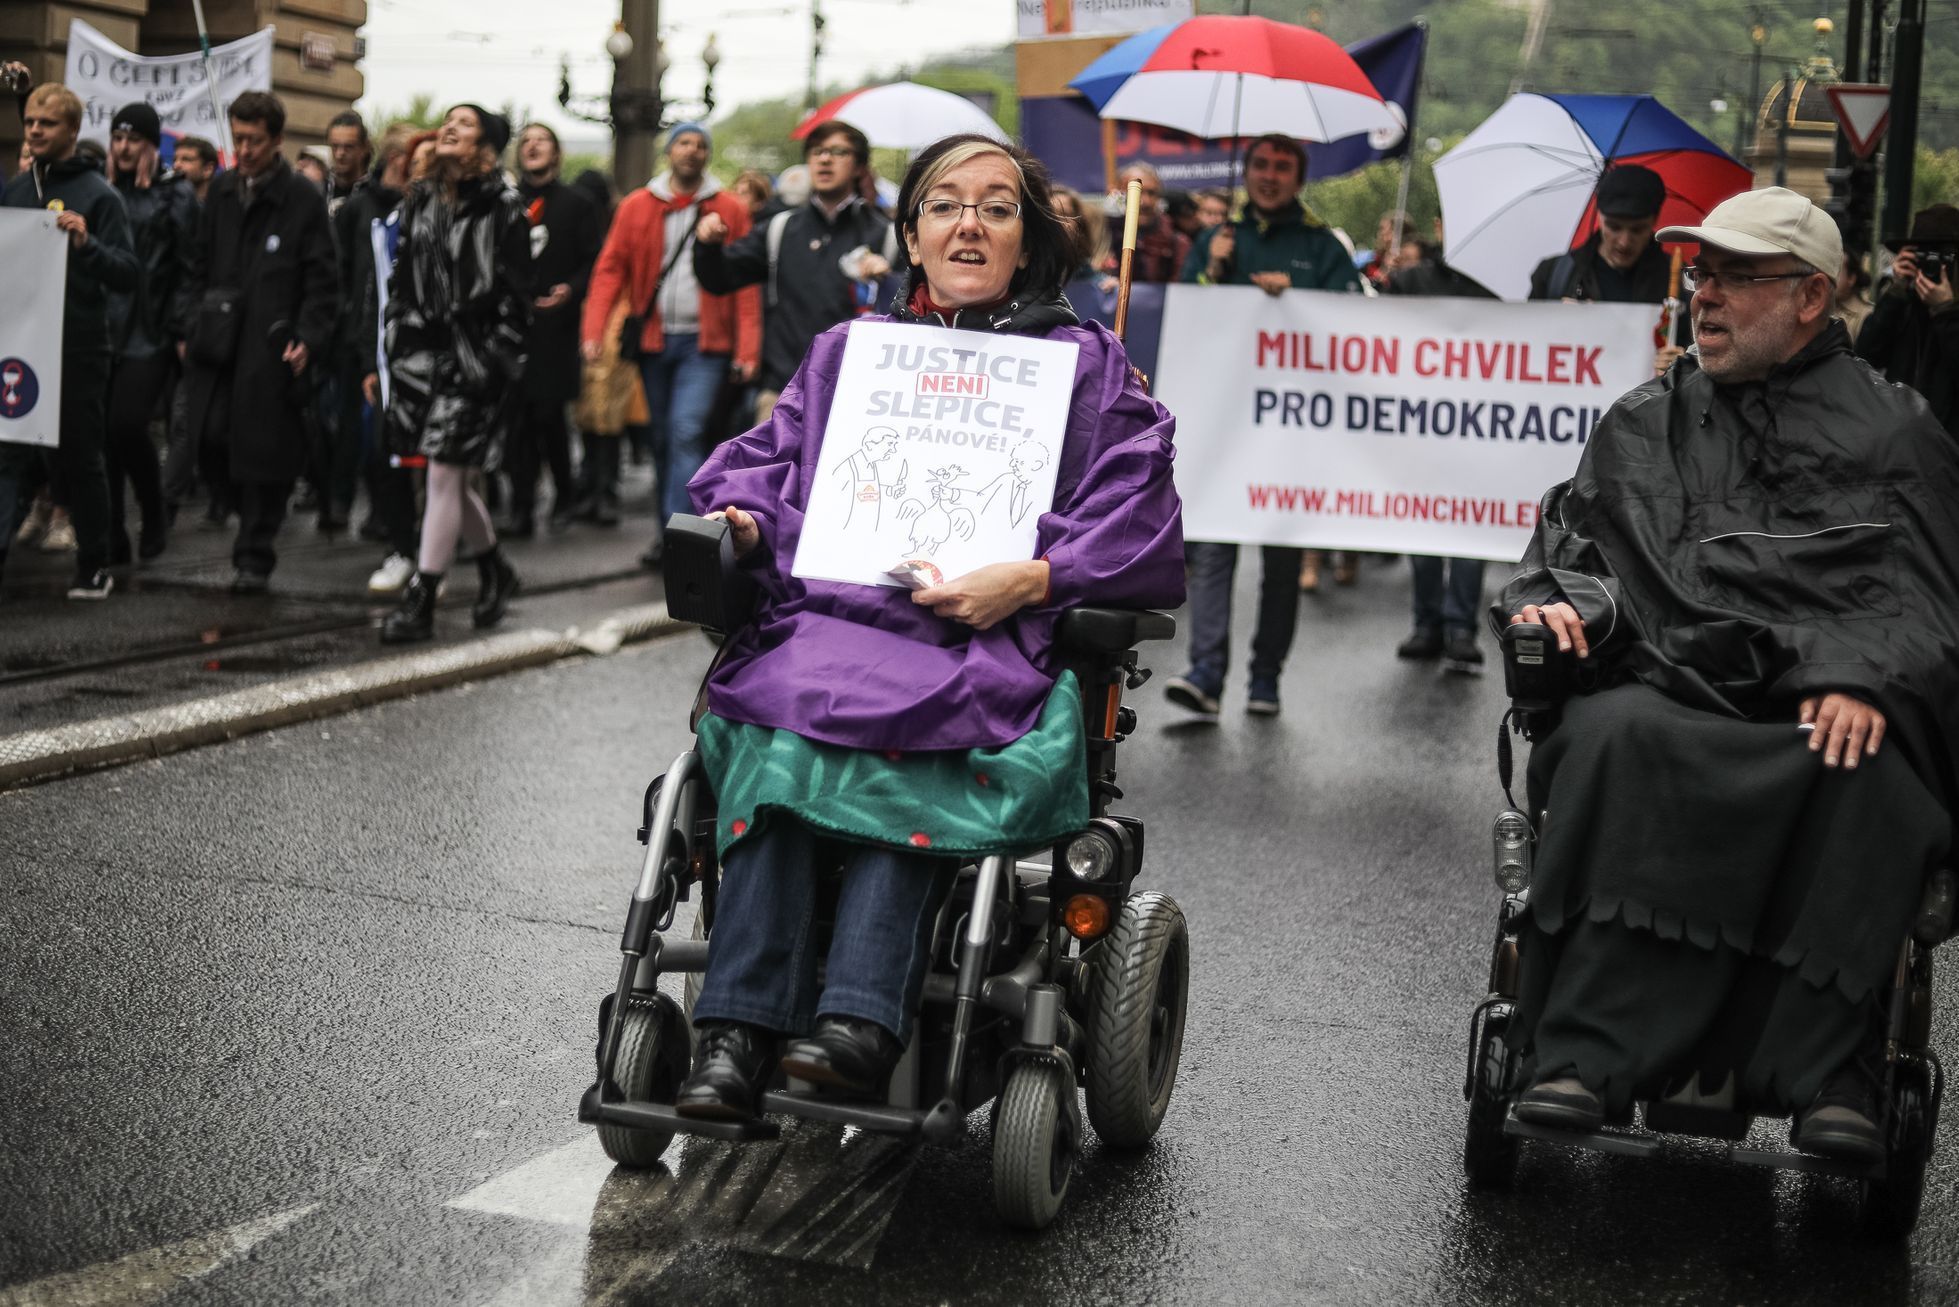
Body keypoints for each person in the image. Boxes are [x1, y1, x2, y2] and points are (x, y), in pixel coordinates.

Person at [671, 133, 1184, 1118]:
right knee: (784, 721)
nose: (970, 223)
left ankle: (859, 1020)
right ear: (909, 235)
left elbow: (1139, 512)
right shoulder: (848, 357)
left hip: (979, 638)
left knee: (919, 728)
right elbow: (764, 472)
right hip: (830, 623)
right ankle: (736, 1032)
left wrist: (1034, 576)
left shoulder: (1082, 367)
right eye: (946, 204)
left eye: (997, 207)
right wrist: (745, 518)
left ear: (1029, 243)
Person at [1497, 188, 1959, 1163]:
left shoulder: (1896, 433)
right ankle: (1580, 1051)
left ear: (1810, 298)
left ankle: (1833, 1068)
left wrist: (1858, 671)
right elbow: (1582, 554)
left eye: (1735, 276)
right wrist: (1560, 608)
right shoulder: (1644, 420)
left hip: (1815, 708)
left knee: (1868, 764)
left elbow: (1926, 601)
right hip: (1669, 683)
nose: (1704, 295)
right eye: (1701, 273)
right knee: (1609, 733)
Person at [1164, 132, 1362, 720]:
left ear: (1298, 180)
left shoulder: (1322, 246)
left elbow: (1354, 318)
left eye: (1281, 167)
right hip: (1223, 425)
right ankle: (1204, 674)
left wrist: (1295, 297)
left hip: (1291, 434)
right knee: (1213, 548)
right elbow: (1187, 316)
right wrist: (1214, 271)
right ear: (1246, 173)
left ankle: (1265, 678)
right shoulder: (1216, 241)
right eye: (1260, 166)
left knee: (1280, 563)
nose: (1269, 176)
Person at [379, 105, 531, 643]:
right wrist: (398, 329)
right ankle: (494, 569)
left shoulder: (505, 208)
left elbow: (517, 297)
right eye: (448, 121)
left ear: (485, 146)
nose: (449, 128)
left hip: (474, 359)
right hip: (422, 356)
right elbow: (403, 277)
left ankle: (422, 597)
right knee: (455, 478)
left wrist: (494, 357)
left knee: (443, 473)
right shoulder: (419, 200)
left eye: (464, 124)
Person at [178, 90, 337, 593]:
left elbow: (323, 279)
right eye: (238, 138)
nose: (244, 149)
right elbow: (197, 264)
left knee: (265, 454)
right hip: (218, 339)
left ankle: (254, 552)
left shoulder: (302, 199)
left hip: (272, 344)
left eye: (254, 140)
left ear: (276, 141)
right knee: (210, 436)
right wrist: (188, 322)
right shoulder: (222, 192)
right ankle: (235, 515)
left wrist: (308, 336)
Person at [581, 122, 760, 563]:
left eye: (701, 145)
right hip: (654, 341)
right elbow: (610, 269)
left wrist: (747, 348)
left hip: (706, 344)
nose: (692, 151)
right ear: (669, 152)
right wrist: (592, 330)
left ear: (707, 156)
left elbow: (745, 283)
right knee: (661, 437)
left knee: (686, 431)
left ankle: (684, 544)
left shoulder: (730, 208)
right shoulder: (637, 205)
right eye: (683, 142)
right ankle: (671, 530)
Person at [0, 82, 137, 599]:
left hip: (77, 346)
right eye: (30, 120)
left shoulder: (100, 195)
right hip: (20, 347)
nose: (34, 129)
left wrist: (87, 244)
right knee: (10, 456)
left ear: (73, 132)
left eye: (47, 123)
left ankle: (95, 565)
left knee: (80, 457)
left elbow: (127, 272)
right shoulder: (15, 189)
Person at [692, 119, 894, 428]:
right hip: (782, 390)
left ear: (859, 167)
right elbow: (719, 279)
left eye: (839, 152)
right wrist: (707, 245)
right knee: (775, 477)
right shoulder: (780, 228)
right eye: (817, 151)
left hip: (857, 394)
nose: (825, 159)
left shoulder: (887, 236)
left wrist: (889, 278)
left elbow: (912, 310)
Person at [1386, 223, 1498, 670]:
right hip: (1421, 426)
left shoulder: (1499, 288)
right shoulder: (1412, 280)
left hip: (1477, 425)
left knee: (1469, 527)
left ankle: (1459, 628)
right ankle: (1428, 624)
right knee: (1425, 527)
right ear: (1440, 228)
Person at [102, 101, 197, 566]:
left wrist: (179, 326)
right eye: (117, 138)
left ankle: (154, 509)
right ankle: (113, 530)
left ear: (150, 143)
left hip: (151, 330)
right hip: (103, 328)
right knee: (104, 434)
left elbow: (189, 266)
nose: (122, 147)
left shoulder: (174, 194)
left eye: (132, 139)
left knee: (126, 423)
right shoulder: (101, 189)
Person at [506, 123, 601, 537]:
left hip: (557, 328)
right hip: (514, 326)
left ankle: (564, 493)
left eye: (540, 141)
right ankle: (521, 507)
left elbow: (594, 262)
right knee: (517, 420)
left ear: (556, 153)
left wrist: (570, 290)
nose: (532, 147)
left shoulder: (577, 204)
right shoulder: (506, 203)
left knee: (549, 417)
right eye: (526, 142)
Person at [346, 126, 423, 595]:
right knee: (383, 455)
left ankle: (449, 557)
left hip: (440, 361)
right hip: (390, 358)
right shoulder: (375, 219)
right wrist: (367, 362)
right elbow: (367, 291)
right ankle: (404, 548)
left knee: (443, 473)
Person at [1528, 164, 1686, 377]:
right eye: (1614, 227)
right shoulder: (1554, 275)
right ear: (1600, 217)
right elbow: (1528, 349)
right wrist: (1558, 322)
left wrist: (1683, 364)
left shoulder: (1680, 280)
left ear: (1654, 221)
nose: (1624, 242)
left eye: (1637, 230)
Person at [1855, 204, 1958, 437]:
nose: (1933, 266)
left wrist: (1945, 311)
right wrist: (1896, 290)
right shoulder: (1902, 304)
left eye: (1944, 258)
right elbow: (1865, 356)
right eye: (1922, 256)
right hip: (1900, 444)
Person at [1109, 161, 1187, 283]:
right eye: (1137, 193)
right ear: (1119, 194)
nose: (1146, 202)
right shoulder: (1102, 235)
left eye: (1152, 193)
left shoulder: (1175, 241)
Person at [323, 110, 369, 214]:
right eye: (335, 146)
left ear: (364, 148)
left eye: (348, 147)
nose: (340, 154)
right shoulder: (319, 189)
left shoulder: (374, 194)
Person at [1833, 249, 1874, 342]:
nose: (1830, 277)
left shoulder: (1867, 315)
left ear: (1851, 278)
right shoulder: (1826, 309)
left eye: (1837, 271)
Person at [172, 136, 218, 205]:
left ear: (208, 169)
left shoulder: (222, 207)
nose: (176, 165)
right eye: (174, 160)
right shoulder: (168, 206)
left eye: (186, 159)